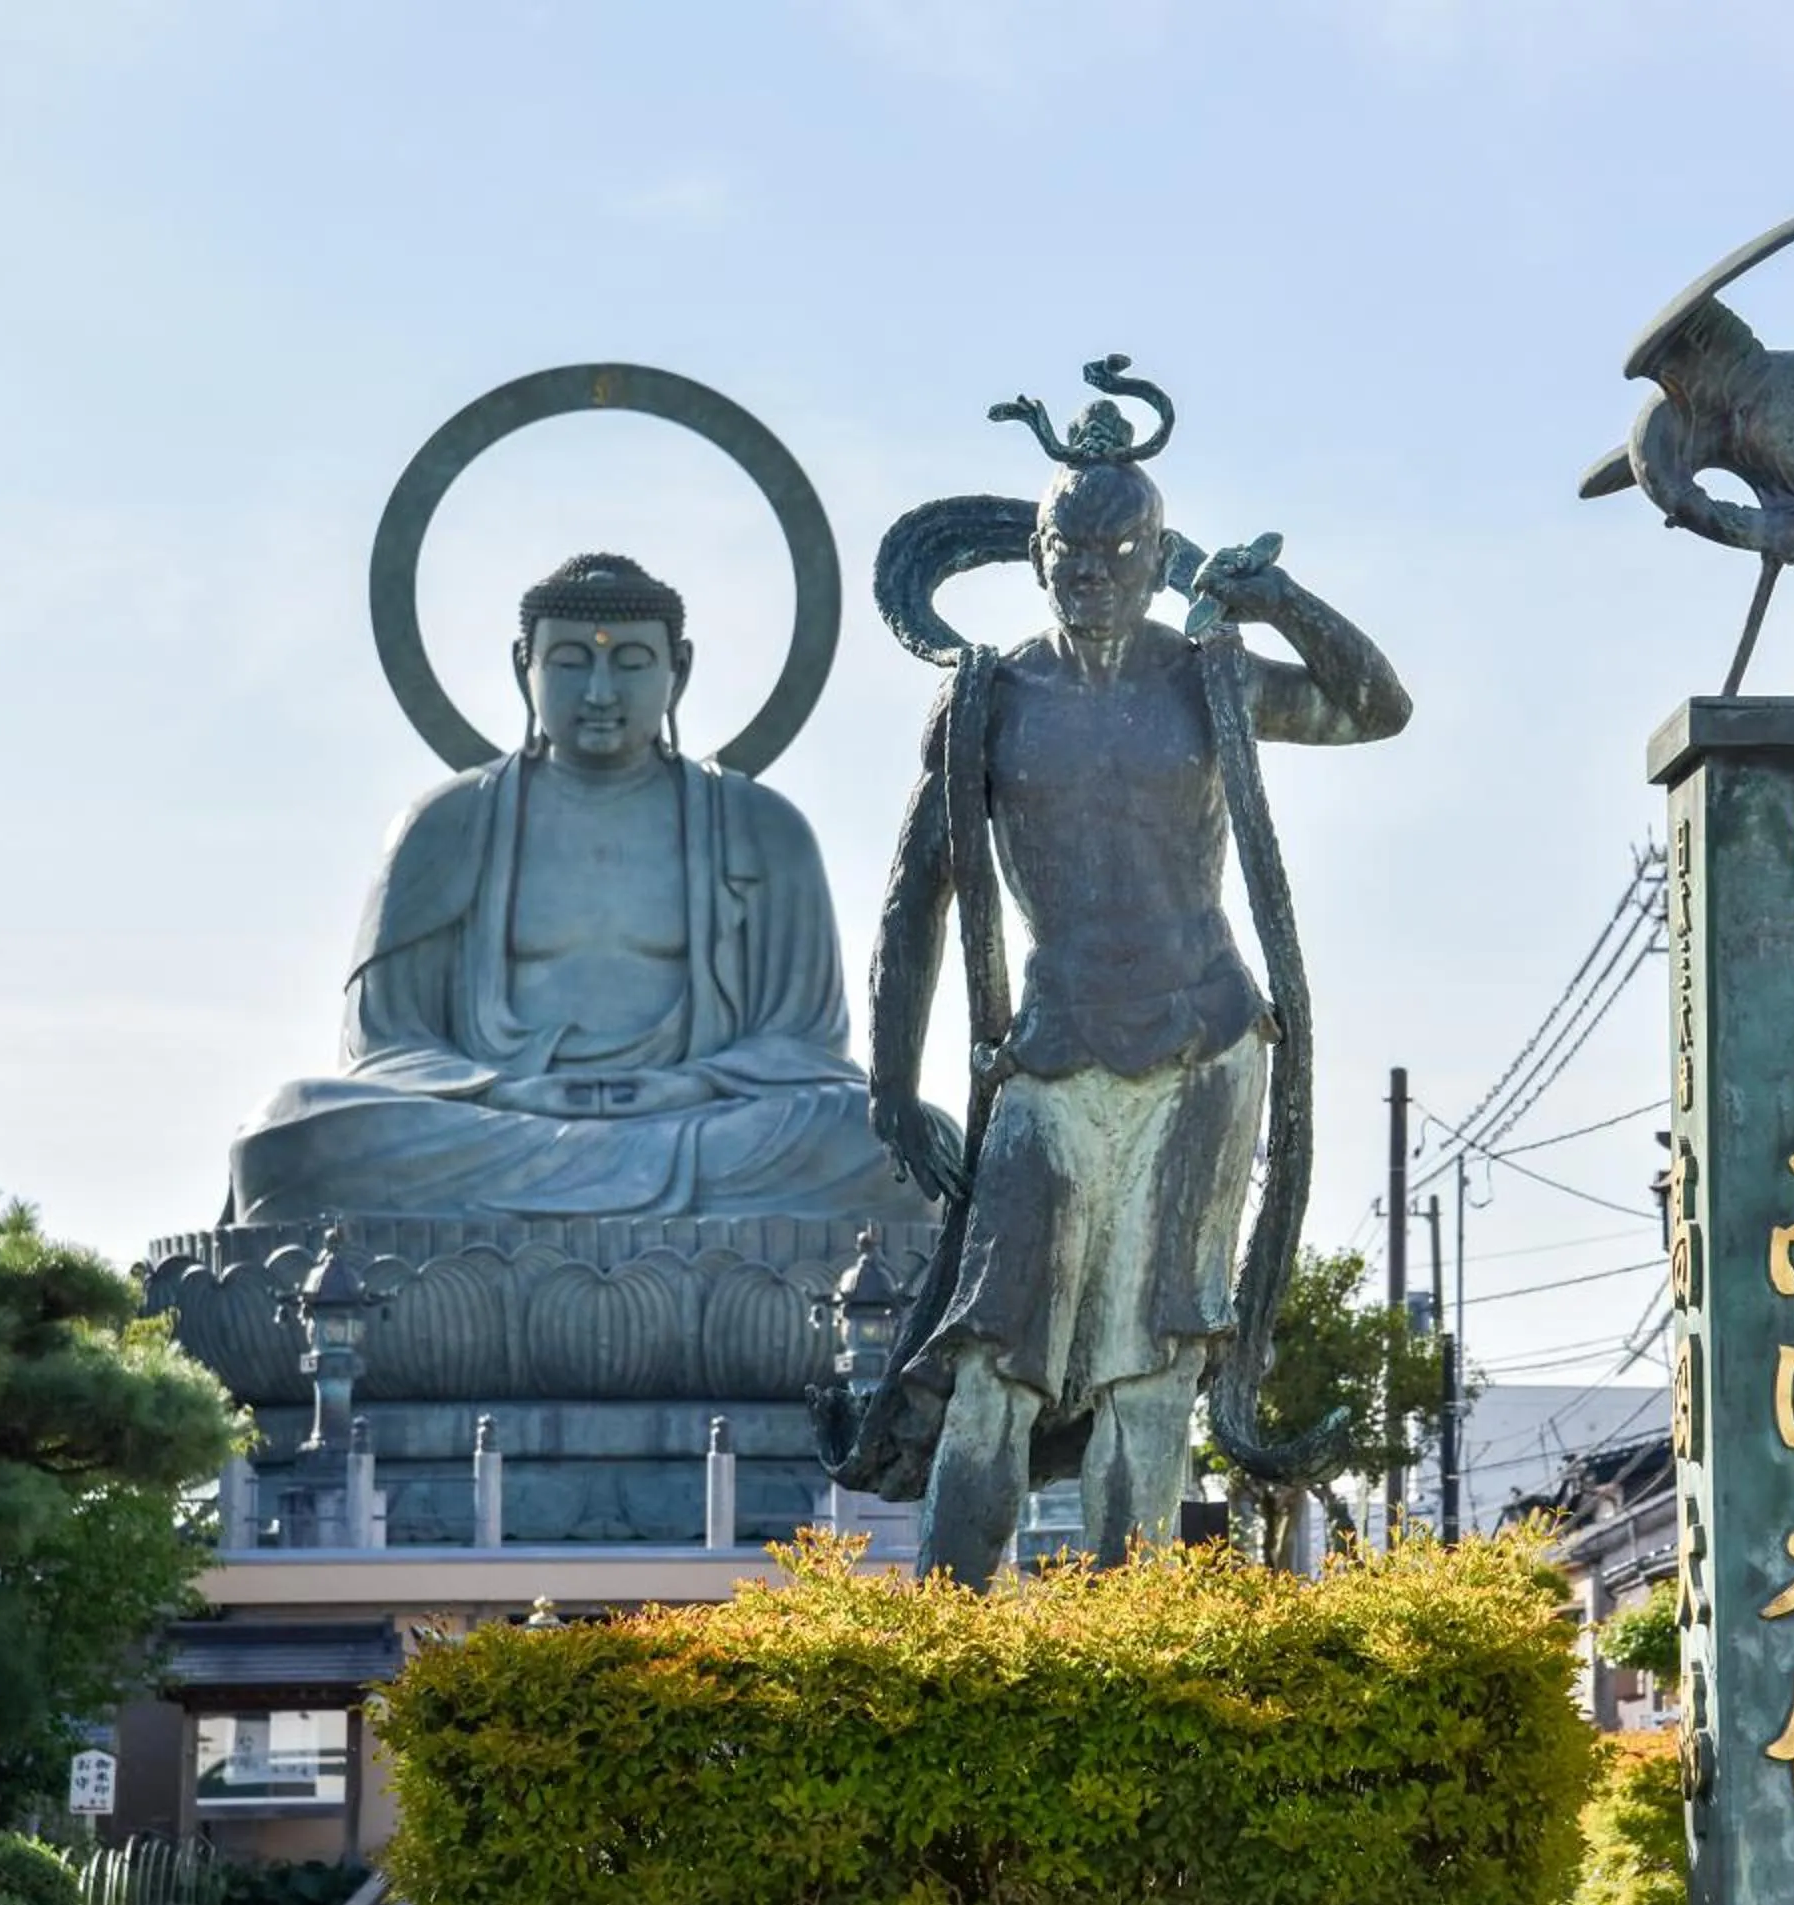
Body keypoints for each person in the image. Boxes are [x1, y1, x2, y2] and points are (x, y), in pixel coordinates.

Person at [867, 413, 1410, 1587]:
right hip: (1051, 1048)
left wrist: (1283, 601)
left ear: (1162, 558)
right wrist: (891, 1082)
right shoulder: (989, 698)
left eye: (1121, 552)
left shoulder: (1206, 676)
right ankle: (941, 1630)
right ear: (1038, 555)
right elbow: (917, 896)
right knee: (990, 1356)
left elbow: (1374, 706)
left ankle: (1134, 1628)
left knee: (1154, 1357)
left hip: (1202, 1039)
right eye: (1070, 549)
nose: (1094, 573)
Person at [230, 553, 926, 1225]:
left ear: (678, 670)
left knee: (876, 1139)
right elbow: (389, 1045)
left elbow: (803, 1047)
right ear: (523, 666)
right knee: (292, 1132)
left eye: (631, 663)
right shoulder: (444, 824)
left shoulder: (763, 829)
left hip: (698, 1122)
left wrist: (689, 1085)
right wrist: (505, 1090)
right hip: (496, 1120)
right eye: (569, 662)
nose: (599, 692)